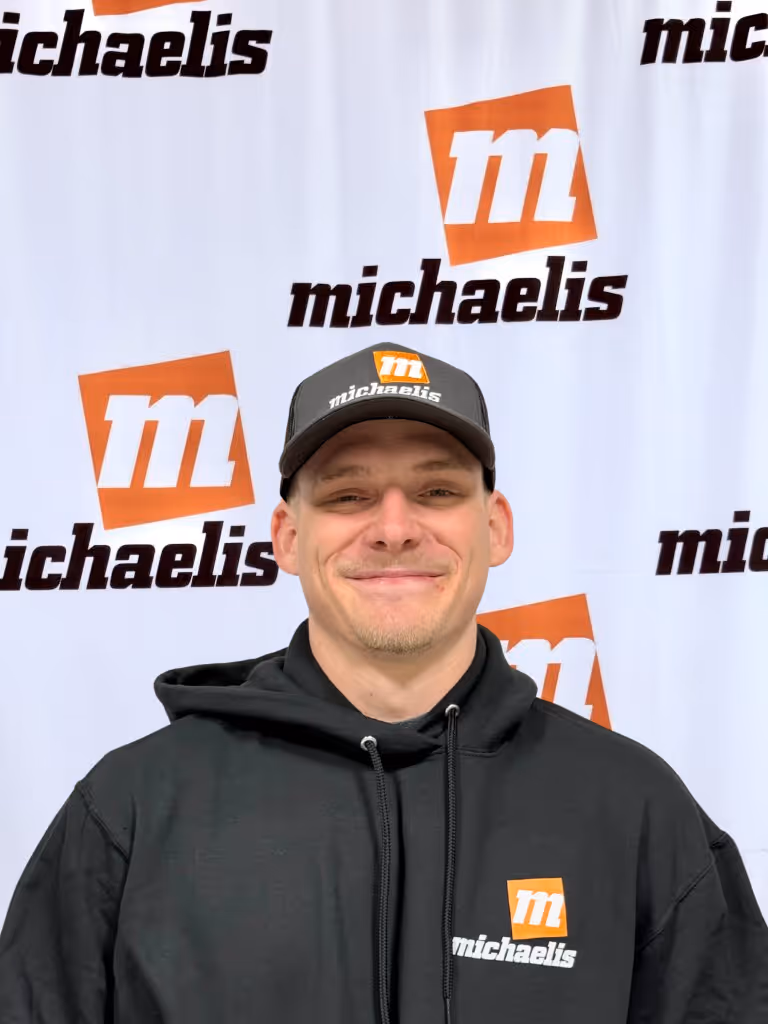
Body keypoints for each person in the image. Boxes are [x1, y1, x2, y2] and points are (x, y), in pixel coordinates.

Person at [0, 344, 766, 1024]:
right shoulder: (134, 807)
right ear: (288, 537)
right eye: (347, 495)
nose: (395, 527)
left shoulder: (633, 808)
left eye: (436, 492)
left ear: (494, 527)